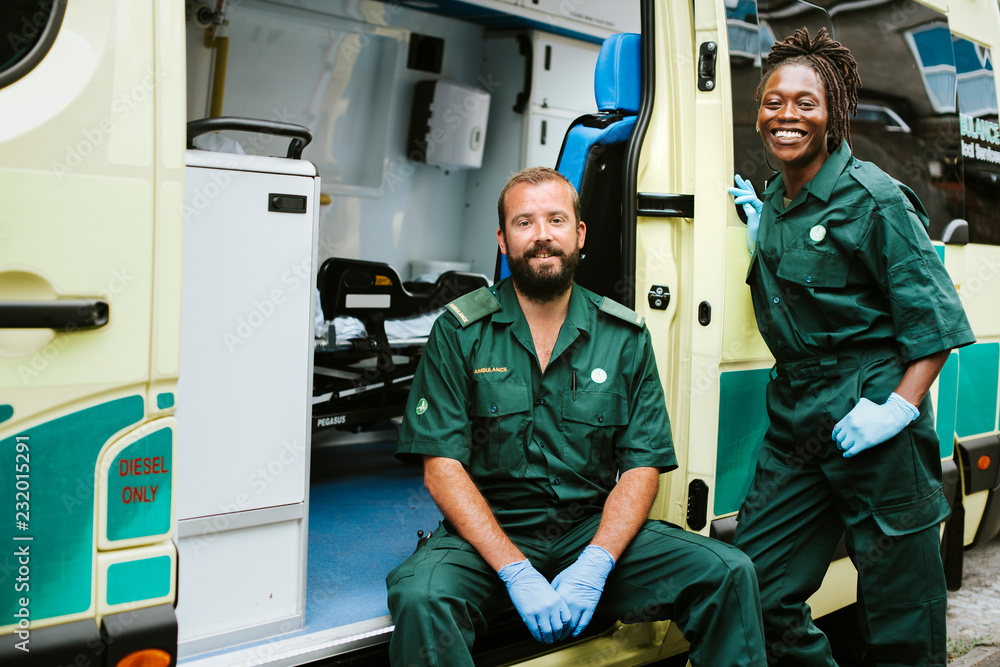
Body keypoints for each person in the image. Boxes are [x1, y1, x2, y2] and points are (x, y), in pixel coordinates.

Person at [387, 166, 766, 666]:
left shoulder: (624, 336)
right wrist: (515, 571)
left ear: (580, 234)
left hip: (588, 531)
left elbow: (641, 468)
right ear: (503, 240)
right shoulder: (460, 332)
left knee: (727, 571)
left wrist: (597, 561)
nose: (542, 236)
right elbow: (441, 468)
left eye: (556, 220)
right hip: (487, 536)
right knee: (423, 599)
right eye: (524, 223)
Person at [728, 28, 976, 666]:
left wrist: (895, 409)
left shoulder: (876, 198)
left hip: (870, 404)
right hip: (796, 415)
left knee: (901, 612)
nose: (786, 115)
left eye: (805, 102)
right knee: (754, 586)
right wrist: (763, 233)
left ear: (834, 112)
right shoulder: (778, 199)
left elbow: (937, 324)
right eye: (773, 101)